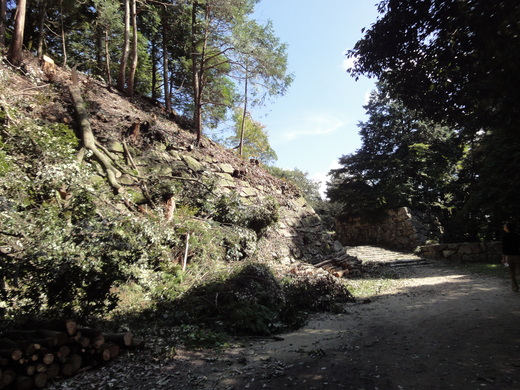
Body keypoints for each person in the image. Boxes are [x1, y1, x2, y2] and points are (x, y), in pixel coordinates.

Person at [502, 222, 520, 292]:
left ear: (507, 228)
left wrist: (503, 259)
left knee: (511, 273)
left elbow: (504, 249)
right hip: (518, 256)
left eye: (504, 227)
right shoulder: (517, 235)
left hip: (509, 257)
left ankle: (515, 288)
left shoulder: (505, 237)